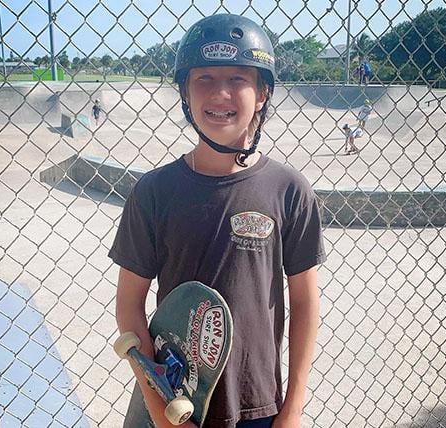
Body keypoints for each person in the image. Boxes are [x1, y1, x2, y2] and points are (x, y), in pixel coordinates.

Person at [110, 13, 326, 428]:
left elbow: (304, 301)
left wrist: (293, 408)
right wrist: (160, 408)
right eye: (203, 78)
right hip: (176, 401)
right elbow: (129, 306)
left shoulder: (289, 189)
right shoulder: (154, 192)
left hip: (258, 406)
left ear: (262, 92)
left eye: (237, 79)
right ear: (185, 93)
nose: (220, 93)